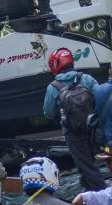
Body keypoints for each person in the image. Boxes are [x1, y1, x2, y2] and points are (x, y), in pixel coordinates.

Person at [43, 48, 106, 191]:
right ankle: (91, 192)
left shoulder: (53, 87)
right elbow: (101, 98)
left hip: (73, 133)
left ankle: (102, 193)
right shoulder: (86, 78)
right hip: (94, 128)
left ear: (55, 65)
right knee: (94, 162)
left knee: (85, 165)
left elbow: (48, 113)